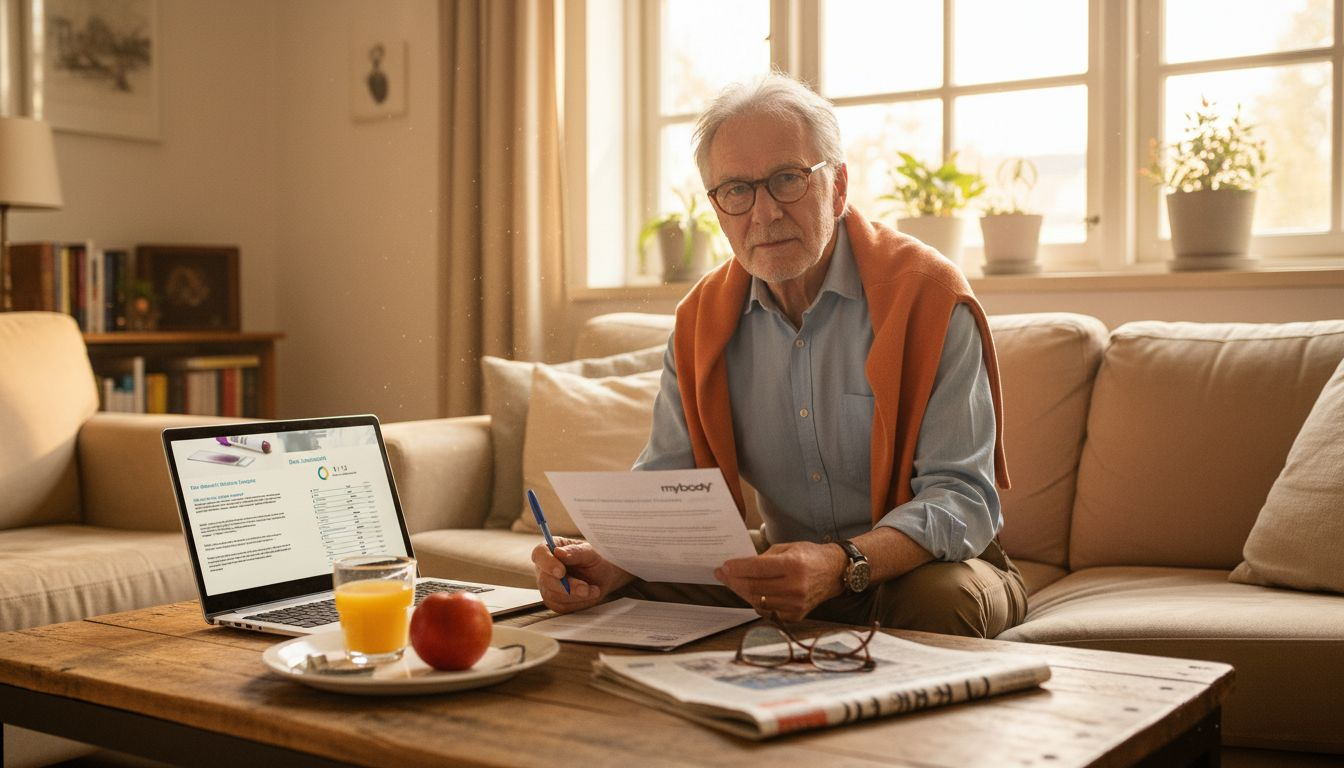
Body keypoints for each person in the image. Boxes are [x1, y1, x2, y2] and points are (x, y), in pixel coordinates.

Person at [531, 73, 1027, 637]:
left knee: (940, 602)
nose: (763, 214)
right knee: (621, 595)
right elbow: (667, 488)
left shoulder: (929, 297)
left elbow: (962, 499)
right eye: (737, 191)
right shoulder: (699, 323)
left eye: (787, 179)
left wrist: (843, 564)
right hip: (784, 565)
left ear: (838, 187)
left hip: (926, 567)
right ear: (718, 210)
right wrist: (611, 561)